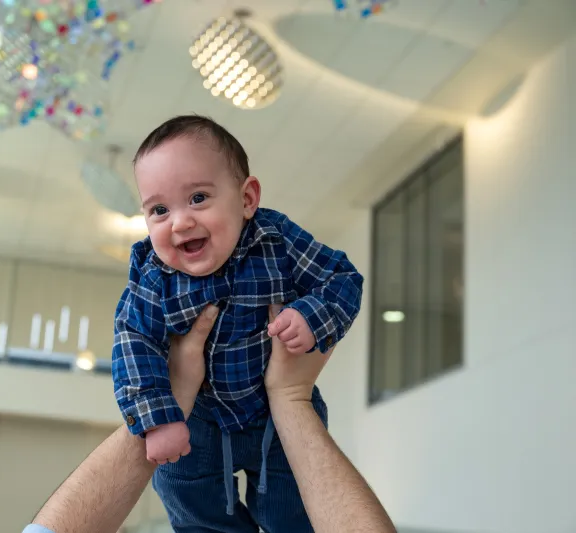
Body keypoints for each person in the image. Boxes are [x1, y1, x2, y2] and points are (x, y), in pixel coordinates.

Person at [111, 115, 364, 531]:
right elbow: (132, 344)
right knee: (179, 486)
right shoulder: (154, 278)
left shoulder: (275, 240)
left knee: (295, 503)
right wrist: (159, 418)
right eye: (159, 209)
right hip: (196, 414)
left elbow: (341, 278)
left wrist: (311, 314)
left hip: (273, 417)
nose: (179, 221)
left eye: (197, 198)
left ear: (247, 199)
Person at [22, 304, 395, 533]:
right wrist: (292, 396)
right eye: (160, 210)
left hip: (206, 405)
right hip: (229, 409)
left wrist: (165, 402)